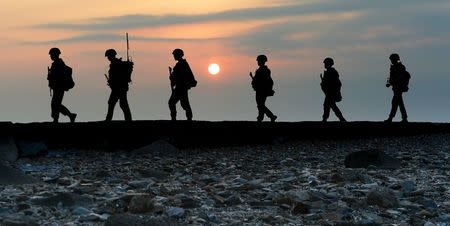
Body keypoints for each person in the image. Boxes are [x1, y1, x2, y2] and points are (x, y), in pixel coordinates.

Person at [47, 47, 77, 123]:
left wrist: (51, 77)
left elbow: (58, 76)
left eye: (51, 55)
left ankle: (67, 116)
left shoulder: (58, 64)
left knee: (55, 104)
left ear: (55, 55)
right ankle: (59, 118)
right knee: (56, 104)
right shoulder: (57, 63)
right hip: (57, 87)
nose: (50, 56)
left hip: (59, 87)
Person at [168, 48, 197, 121]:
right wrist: (172, 77)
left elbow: (184, 76)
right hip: (180, 87)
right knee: (183, 103)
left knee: (178, 103)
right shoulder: (180, 64)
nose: (174, 56)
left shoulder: (182, 64)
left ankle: (183, 118)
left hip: (181, 88)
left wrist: (173, 78)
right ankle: (186, 118)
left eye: (175, 55)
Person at [104, 49, 132, 122]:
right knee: (122, 104)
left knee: (114, 103)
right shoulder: (115, 63)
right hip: (119, 88)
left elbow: (117, 77)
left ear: (112, 55)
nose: (108, 58)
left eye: (108, 56)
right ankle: (128, 120)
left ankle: (108, 119)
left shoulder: (116, 64)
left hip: (119, 88)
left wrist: (112, 82)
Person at [250, 55, 277, 122]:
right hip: (261, 90)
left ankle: (271, 116)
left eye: (258, 61)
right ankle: (260, 118)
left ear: (261, 61)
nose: (257, 62)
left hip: (261, 90)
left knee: (260, 105)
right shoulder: (264, 70)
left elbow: (261, 81)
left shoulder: (262, 70)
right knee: (261, 104)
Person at [385, 53, 410, 123]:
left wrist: (393, 81)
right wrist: (390, 82)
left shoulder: (400, 67)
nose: (391, 61)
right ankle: (403, 118)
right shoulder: (394, 67)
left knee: (396, 102)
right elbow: (391, 77)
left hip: (399, 87)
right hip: (396, 87)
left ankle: (392, 118)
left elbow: (400, 77)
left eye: (392, 59)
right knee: (397, 102)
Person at [320, 57, 346, 122]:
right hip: (329, 93)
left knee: (330, 105)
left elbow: (337, 84)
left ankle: (340, 118)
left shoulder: (332, 72)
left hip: (332, 93)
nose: (324, 65)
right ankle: (326, 118)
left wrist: (334, 91)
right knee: (329, 105)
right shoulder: (329, 72)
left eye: (326, 63)